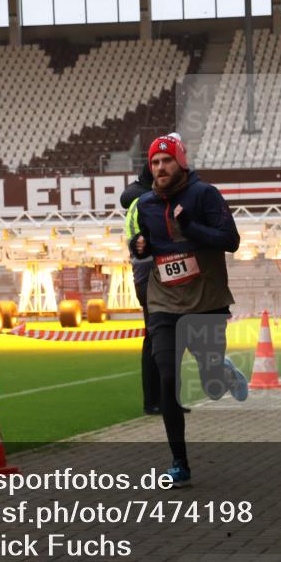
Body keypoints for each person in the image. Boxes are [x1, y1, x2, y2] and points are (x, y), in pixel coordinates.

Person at [130, 132, 247, 487]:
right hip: (164, 301)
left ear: (180, 162)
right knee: (167, 376)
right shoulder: (146, 204)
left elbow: (231, 240)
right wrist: (139, 246)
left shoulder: (204, 194)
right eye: (154, 162)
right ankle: (179, 462)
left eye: (166, 160)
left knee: (210, 383)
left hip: (206, 301)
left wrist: (191, 227)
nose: (160, 167)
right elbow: (146, 244)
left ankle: (222, 372)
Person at [120, 162, 162, 415]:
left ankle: (164, 399)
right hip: (151, 275)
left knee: (165, 338)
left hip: (152, 275)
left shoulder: (143, 201)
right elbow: (140, 244)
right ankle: (155, 401)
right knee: (157, 337)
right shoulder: (143, 204)